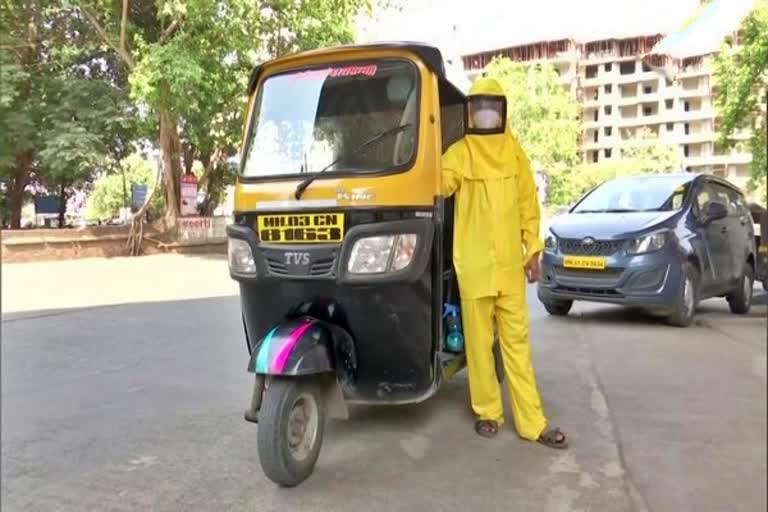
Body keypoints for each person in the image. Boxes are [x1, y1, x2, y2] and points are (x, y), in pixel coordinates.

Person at [442, 77, 568, 449]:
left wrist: (533, 251)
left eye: (492, 106)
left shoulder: (515, 154)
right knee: (479, 347)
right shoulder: (460, 153)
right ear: (470, 111)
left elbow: (529, 206)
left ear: (502, 111)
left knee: (517, 345)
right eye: (478, 105)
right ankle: (488, 413)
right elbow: (440, 182)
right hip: (474, 266)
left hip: (509, 270)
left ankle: (533, 422)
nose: (484, 113)